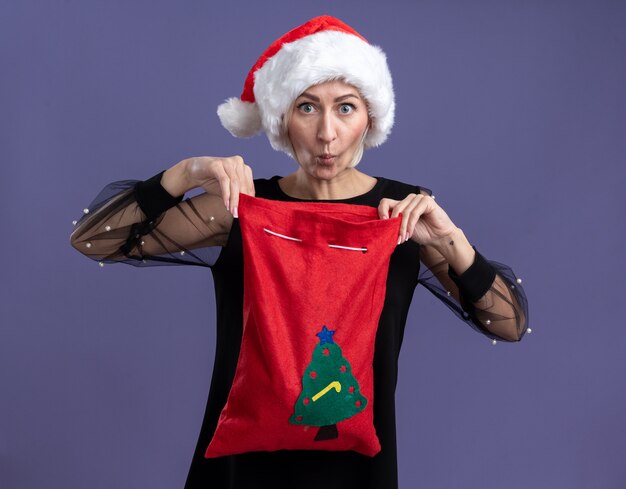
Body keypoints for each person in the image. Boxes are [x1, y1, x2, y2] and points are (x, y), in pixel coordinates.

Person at [70, 15, 529, 489]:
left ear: (370, 116)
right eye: (307, 108)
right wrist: (186, 173)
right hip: (240, 468)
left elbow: (509, 324)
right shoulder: (240, 207)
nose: (327, 134)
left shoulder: (403, 215)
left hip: (357, 471)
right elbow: (95, 239)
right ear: (281, 119)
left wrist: (450, 238)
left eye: (345, 108)